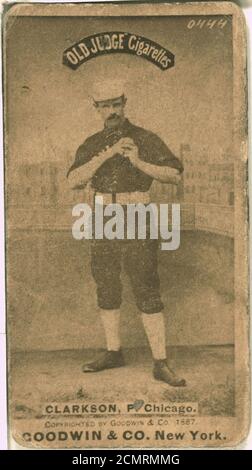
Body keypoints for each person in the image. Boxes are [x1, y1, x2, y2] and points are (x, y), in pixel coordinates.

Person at [67, 80, 186, 386]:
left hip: (137, 214)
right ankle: (113, 352)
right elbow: (74, 181)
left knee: (146, 285)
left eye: (115, 104)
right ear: (96, 109)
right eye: (104, 106)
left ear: (124, 103)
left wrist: (136, 160)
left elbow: (174, 174)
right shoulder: (92, 143)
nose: (111, 111)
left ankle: (160, 362)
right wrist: (106, 156)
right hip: (103, 216)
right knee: (106, 284)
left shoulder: (145, 138)